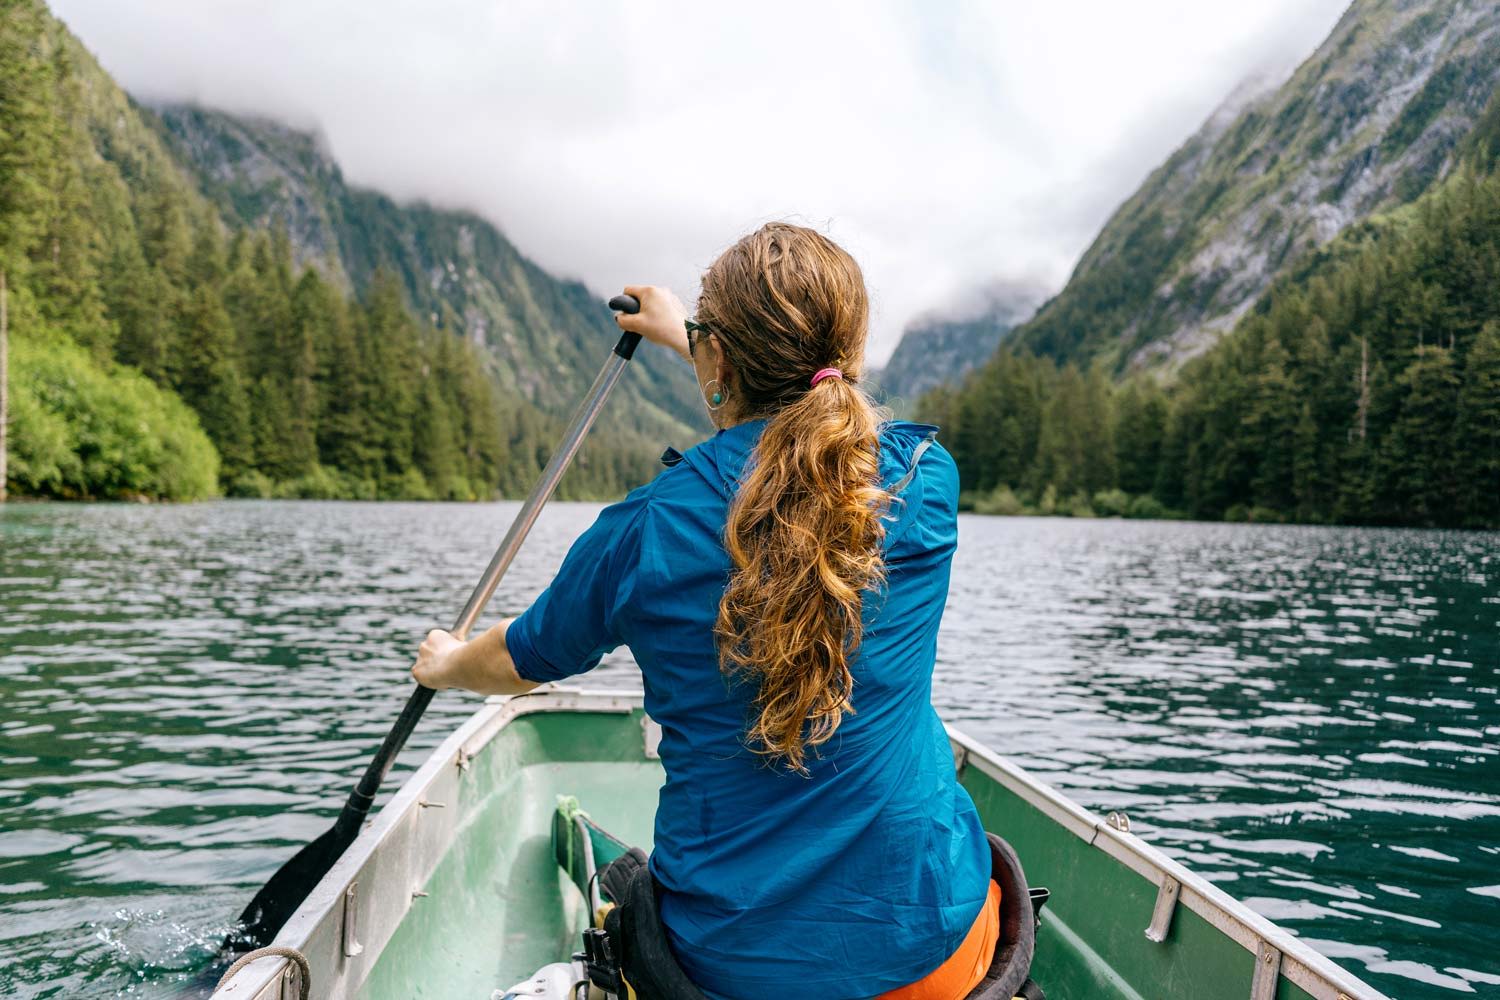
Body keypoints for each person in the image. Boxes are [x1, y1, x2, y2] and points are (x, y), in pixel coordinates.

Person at [412, 222, 997, 1000]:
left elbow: (522, 659)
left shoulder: (645, 531)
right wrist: (696, 340)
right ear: (847, 352)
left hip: (733, 974)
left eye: (706, 343)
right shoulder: (924, 482)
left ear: (718, 359)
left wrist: (449, 663)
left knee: (635, 894)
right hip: (936, 958)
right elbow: (812, 414)